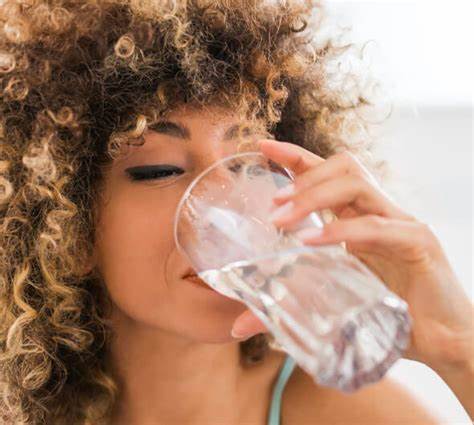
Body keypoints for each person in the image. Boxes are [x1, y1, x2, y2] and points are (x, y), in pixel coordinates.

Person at [0, 0, 472, 424]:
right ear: (70, 234)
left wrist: (458, 347)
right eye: (159, 169)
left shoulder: (348, 413)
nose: (228, 205)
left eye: (249, 164)